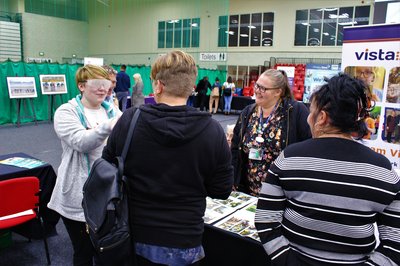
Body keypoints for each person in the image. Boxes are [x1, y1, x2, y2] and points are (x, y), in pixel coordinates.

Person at [102, 50, 233, 266]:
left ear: (158, 86)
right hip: (185, 239)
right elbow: (221, 190)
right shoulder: (212, 130)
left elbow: (107, 169)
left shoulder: (130, 120)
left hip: (132, 234)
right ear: (192, 87)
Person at [255, 73, 400, 265]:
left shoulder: (290, 158)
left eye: (311, 111)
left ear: (321, 117)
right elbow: (394, 241)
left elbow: (266, 219)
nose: (308, 119)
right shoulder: (383, 171)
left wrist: (287, 261)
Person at [48, 64, 121, 266]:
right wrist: (109, 126)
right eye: (96, 84)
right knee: (83, 251)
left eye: (106, 84)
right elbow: (81, 142)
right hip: (77, 194)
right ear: (81, 86)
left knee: (107, 249)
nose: (103, 89)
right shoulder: (66, 112)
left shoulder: (112, 109)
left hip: (107, 192)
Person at [231, 69, 311, 196]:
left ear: (278, 91)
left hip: (283, 193)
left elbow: (309, 147)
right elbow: (235, 148)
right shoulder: (248, 112)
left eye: (263, 88)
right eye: (257, 85)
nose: (257, 91)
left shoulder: (296, 111)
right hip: (249, 191)